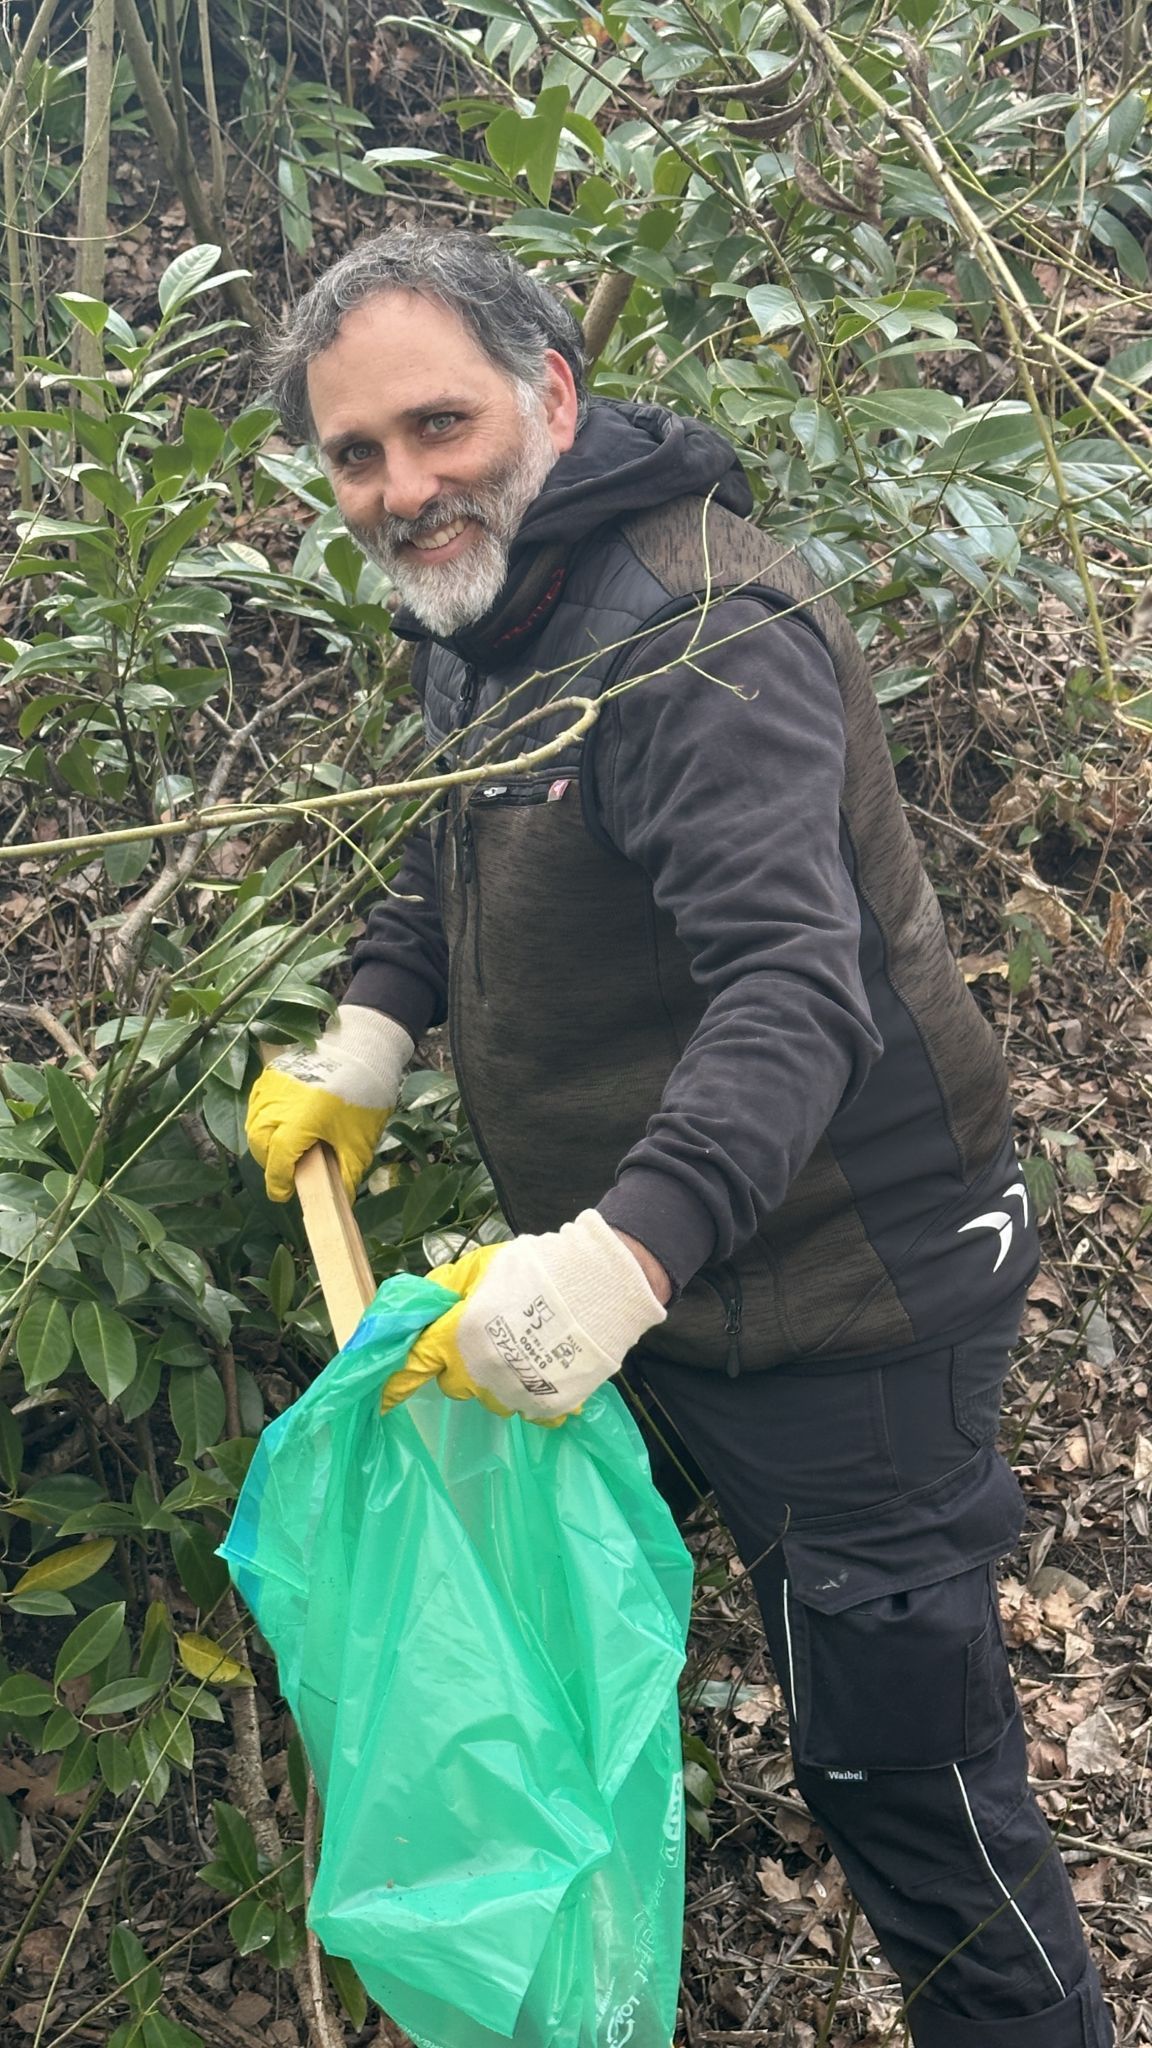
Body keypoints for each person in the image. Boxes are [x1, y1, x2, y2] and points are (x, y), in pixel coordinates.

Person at [244, 227, 1112, 2047]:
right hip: (666, 1278)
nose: (404, 489)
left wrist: (604, 1268)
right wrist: (371, 1033)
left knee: (907, 1791)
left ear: (551, 396)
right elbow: (448, 838)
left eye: (439, 426)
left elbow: (797, 993)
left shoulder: (706, 638)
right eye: (357, 454)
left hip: (850, 1299)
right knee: (575, 1666)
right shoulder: (487, 605)